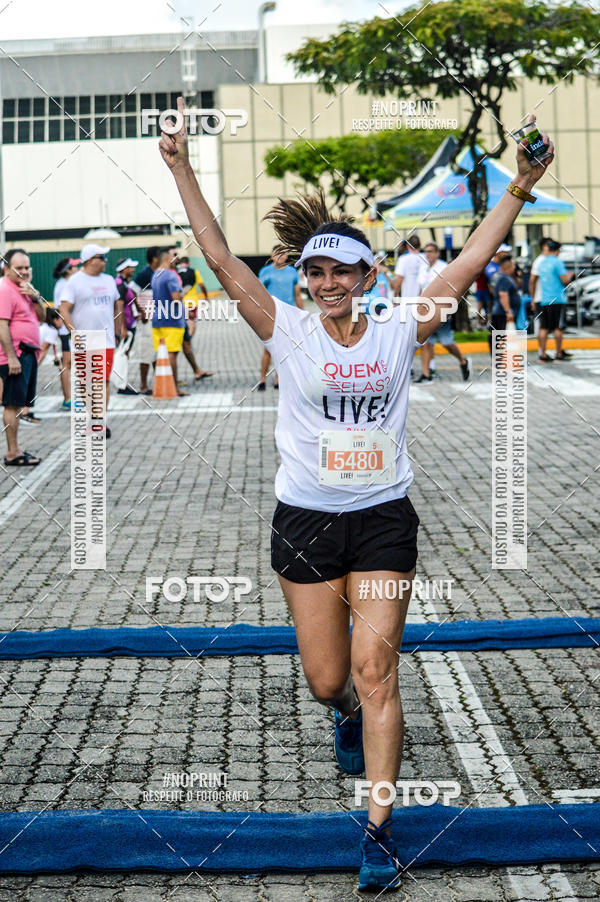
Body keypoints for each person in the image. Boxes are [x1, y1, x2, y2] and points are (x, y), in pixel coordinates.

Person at [160, 97, 554, 893]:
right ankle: (340, 717)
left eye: (343, 269)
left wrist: (519, 186)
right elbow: (218, 254)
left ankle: (376, 833)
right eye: (317, 270)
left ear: (367, 276)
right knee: (329, 682)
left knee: (379, 674)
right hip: (306, 524)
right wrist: (181, 168)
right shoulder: (286, 328)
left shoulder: (400, 325)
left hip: (381, 522)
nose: (330, 282)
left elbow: (470, 261)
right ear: (302, 279)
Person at [59, 243, 125, 439]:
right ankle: (93, 418)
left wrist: (118, 330)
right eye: (101, 257)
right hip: (84, 341)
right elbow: (64, 309)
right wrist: (74, 333)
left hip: (105, 341)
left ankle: (99, 422)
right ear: (89, 260)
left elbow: (116, 306)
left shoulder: (109, 280)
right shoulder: (75, 282)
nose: (105, 261)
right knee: (88, 384)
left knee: (102, 381)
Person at [0, 248, 46, 465]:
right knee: (12, 404)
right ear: (7, 269)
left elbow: (42, 319)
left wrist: (36, 297)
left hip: (27, 353)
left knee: (18, 404)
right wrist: (11, 356)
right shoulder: (5, 290)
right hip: (16, 355)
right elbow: (2, 325)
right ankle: (13, 453)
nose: (24, 272)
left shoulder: (25, 290)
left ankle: (16, 449)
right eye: (19, 268)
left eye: (27, 267)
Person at [415, 243, 471, 383]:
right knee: (425, 343)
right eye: (425, 251)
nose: (427, 254)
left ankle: (463, 360)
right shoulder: (423, 268)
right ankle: (427, 375)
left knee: (447, 342)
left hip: (440, 310)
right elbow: (421, 289)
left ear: (437, 253)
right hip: (425, 311)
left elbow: (451, 290)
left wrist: (449, 308)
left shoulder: (443, 268)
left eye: (430, 251)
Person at [257, 247, 303, 390]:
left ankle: (278, 379)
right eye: (278, 253)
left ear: (287, 255)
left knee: (284, 349)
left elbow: (297, 294)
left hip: (288, 315)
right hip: (271, 315)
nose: (281, 256)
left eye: (284, 254)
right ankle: (263, 379)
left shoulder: (292, 272)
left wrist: (302, 313)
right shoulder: (265, 272)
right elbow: (259, 294)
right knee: (268, 348)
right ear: (272, 255)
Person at [531, 239, 575, 362]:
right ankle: (559, 353)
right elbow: (564, 280)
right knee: (558, 328)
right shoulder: (558, 262)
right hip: (558, 299)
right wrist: (571, 276)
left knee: (544, 327)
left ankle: (543, 354)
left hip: (545, 299)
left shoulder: (541, 262)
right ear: (557, 250)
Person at [151, 246, 187, 395]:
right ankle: (174, 387)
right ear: (167, 259)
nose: (176, 260)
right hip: (172, 319)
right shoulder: (170, 276)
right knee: (171, 354)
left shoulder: (155, 275)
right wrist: (183, 293)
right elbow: (176, 299)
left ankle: (163, 384)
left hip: (157, 317)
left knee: (161, 353)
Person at [175, 254, 214, 384]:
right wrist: (206, 296)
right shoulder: (194, 272)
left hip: (180, 303)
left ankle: (187, 340)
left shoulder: (175, 273)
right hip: (191, 303)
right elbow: (202, 285)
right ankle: (188, 339)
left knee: (186, 324)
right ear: (188, 262)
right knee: (191, 324)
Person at [52, 256, 80, 410]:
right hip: (66, 331)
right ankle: (68, 399)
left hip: (68, 330)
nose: (77, 268)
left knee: (69, 364)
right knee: (67, 365)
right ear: (68, 270)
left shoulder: (65, 284)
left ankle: (70, 397)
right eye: (74, 267)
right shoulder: (64, 285)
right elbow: (61, 309)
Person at [132, 246, 160, 394]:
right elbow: (131, 292)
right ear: (155, 258)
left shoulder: (159, 273)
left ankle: (159, 381)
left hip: (158, 318)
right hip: (147, 320)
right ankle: (143, 385)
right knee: (146, 352)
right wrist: (140, 311)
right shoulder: (145, 274)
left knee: (157, 352)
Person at [115, 258, 140, 395]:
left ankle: (122, 382)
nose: (133, 269)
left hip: (130, 323)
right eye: (130, 267)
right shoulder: (120, 285)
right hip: (126, 326)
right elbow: (119, 308)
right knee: (123, 354)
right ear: (124, 269)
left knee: (125, 354)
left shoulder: (124, 284)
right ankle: (121, 385)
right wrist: (122, 328)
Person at [487, 255, 522, 352]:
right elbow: (503, 294)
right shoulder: (504, 279)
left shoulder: (497, 276)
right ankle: (500, 360)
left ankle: (499, 360)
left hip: (498, 311)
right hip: (502, 313)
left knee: (497, 336)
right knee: (501, 337)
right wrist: (508, 311)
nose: (514, 267)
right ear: (509, 266)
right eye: (513, 265)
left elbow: (492, 290)